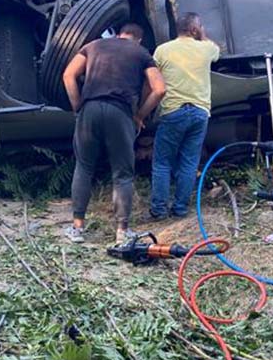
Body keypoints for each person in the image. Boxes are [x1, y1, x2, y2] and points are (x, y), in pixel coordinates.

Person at [61, 23, 166, 245]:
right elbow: (159, 89)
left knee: (84, 167)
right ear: (138, 39)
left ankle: (77, 228)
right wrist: (139, 115)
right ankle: (122, 232)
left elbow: (68, 75)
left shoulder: (94, 45)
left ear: (119, 35)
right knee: (122, 174)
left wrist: (78, 107)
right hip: (120, 113)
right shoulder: (141, 53)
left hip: (90, 109)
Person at [148, 13, 221, 219]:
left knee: (162, 163)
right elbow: (217, 51)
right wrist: (203, 35)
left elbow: (153, 77)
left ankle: (159, 209)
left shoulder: (163, 50)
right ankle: (180, 208)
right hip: (200, 112)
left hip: (173, 111)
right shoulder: (206, 48)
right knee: (189, 162)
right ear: (195, 30)